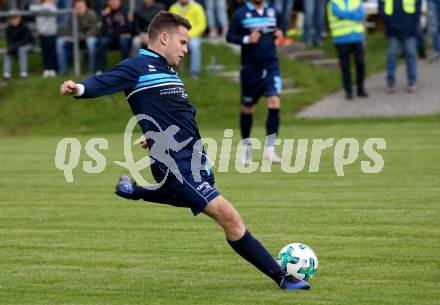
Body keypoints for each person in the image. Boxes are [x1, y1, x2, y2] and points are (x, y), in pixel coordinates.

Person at [59, 11, 310, 291]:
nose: (186, 49)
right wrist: (79, 88)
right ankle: (283, 277)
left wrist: (153, 133)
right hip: (174, 162)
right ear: (164, 37)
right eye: (182, 42)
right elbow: (103, 81)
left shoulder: (169, 71)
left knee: (188, 198)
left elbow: (174, 113)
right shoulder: (137, 66)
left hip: (193, 157)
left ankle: (136, 191)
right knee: (227, 215)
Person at [226, 0, 284, 165]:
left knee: (274, 102)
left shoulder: (273, 12)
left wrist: (280, 33)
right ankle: (246, 147)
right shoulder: (241, 14)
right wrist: (246, 39)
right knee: (248, 108)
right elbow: (230, 36)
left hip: (271, 65)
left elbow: (279, 28)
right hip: (250, 69)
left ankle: (270, 150)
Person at [328, 0, 368, 100]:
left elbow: (361, 15)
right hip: (341, 39)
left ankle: (360, 88)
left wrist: (346, 15)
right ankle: (348, 91)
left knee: (360, 63)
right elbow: (339, 14)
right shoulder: (334, 2)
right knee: (345, 66)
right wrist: (352, 13)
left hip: (357, 37)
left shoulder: (356, 1)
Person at [379, 0, 422, 93]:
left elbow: (418, 7)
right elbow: (381, 7)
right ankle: (390, 83)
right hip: (392, 30)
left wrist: (413, 22)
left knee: (411, 55)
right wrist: (388, 22)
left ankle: (412, 82)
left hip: (410, 29)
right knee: (391, 56)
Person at [56, 0, 98, 75]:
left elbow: (94, 30)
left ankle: (91, 70)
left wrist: (80, 36)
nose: (79, 9)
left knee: (91, 42)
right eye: (77, 7)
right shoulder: (72, 15)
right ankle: (63, 70)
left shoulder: (92, 14)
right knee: (60, 42)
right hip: (75, 38)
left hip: (87, 38)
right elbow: (69, 31)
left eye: (81, 7)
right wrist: (75, 36)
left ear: (86, 7)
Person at [169, 0, 207, 79]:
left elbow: (202, 25)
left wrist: (188, 34)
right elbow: (170, 24)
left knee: (194, 45)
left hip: (193, 35)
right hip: (177, 35)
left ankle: (194, 72)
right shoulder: (173, 8)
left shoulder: (197, 7)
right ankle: (171, 70)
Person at [97, 0, 133, 72]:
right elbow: (103, 30)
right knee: (102, 42)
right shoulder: (106, 12)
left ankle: (125, 68)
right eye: (111, 1)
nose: (113, 3)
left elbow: (130, 27)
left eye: (115, 1)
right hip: (111, 37)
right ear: (108, 3)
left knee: (123, 41)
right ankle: (101, 69)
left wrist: (123, 32)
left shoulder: (126, 10)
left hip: (122, 37)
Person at [30, 0, 58, 77]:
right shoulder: (38, 6)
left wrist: (45, 6)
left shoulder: (52, 7)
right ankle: (46, 69)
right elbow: (31, 8)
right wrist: (44, 6)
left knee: (52, 52)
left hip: (52, 34)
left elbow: (53, 10)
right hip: (42, 35)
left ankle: (53, 69)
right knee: (45, 53)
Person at [3, 11, 34, 80]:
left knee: (21, 50)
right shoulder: (8, 28)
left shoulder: (24, 26)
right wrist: (12, 48)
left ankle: (23, 73)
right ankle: (6, 74)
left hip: (28, 44)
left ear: (19, 18)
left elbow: (26, 40)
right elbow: (9, 41)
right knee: (8, 52)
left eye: (15, 18)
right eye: (12, 18)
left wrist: (15, 47)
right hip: (15, 46)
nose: (14, 20)